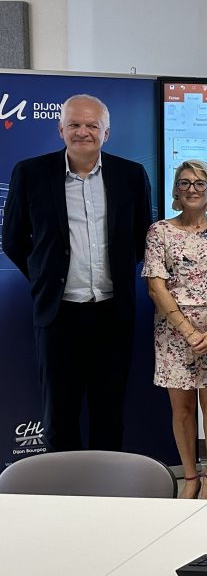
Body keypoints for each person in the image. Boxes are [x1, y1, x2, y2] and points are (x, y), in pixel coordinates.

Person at [2, 93, 152, 452]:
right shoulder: (30, 173)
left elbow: (141, 237)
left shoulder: (131, 175)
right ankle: (63, 495)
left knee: (109, 411)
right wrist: (45, 277)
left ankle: (106, 494)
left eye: (91, 125)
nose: (83, 132)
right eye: (74, 124)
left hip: (112, 313)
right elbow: (12, 240)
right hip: (58, 315)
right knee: (60, 413)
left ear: (107, 133)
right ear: (60, 129)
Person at [143, 160, 207, 499]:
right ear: (175, 191)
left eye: (200, 183)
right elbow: (156, 285)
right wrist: (187, 330)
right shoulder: (160, 232)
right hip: (173, 331)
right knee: (181, 408)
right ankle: (190, 477)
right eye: (184, 183)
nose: (192, 189)